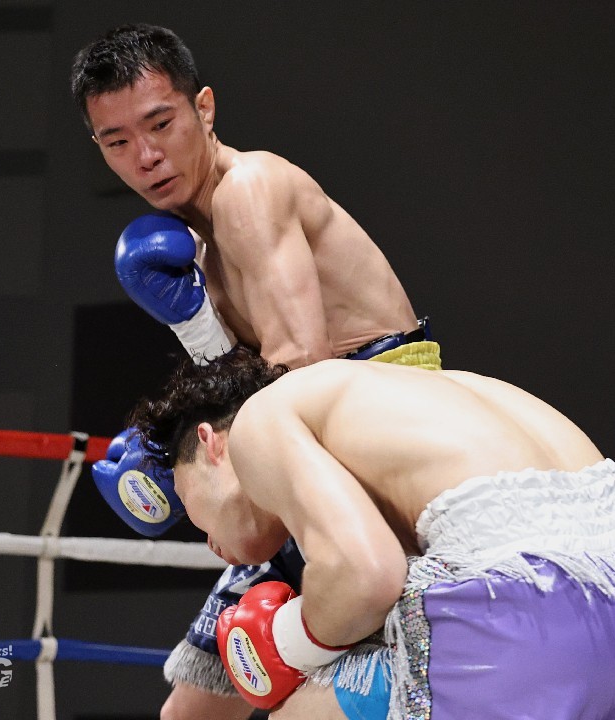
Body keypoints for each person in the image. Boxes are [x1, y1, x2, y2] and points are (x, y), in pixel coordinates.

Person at [70, 23, 441, 720]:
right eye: (117, 142)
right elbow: (253, 381)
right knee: (193, 712)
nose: (146, 156)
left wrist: (198, 465)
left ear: (204, 108)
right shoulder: (194, 246)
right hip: (323, 447)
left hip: (379, 446)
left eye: (161, 124)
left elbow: (300, 371)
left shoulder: (248, 191)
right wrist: (190, 352)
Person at [128, 348, 615, 720]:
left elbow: (366, 576)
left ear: (210, 444)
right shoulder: (427, 396)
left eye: (188, 506)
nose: (207, 541)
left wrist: (284, 644)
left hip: (528, 619)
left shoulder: (260, 423)